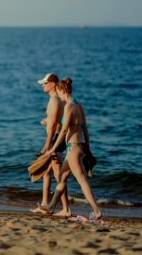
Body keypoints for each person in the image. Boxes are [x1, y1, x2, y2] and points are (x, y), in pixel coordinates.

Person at [42, 77, 102, 220]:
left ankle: (97, 212)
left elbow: (63, 131)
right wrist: (88, 150)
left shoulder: (69, 106)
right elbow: (85, 129)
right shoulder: (78, 105)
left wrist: (52, 149)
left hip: (73, 148)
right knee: (62, 178)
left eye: (59, 92)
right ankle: (51, 207)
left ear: (63, 91)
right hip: (78, 146)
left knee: (81, 180)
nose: (60, 97)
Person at [29, 73, 71, 216]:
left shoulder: (54, 100)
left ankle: (66, 209)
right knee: (46, 173)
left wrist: (47, 145)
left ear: (53, 84)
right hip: (57, 139)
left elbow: (54, 125)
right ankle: (45, 204)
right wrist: (47, 121)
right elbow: (57, 120)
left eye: (45, 83)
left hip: (55, 141)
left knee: (59, 175)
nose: (42, 85)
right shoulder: (59, 100)